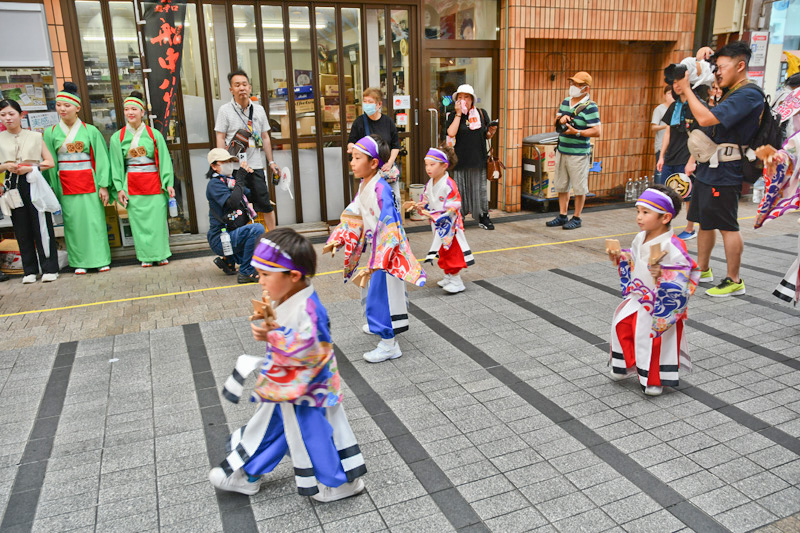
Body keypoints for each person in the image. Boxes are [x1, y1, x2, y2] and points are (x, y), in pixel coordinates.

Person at [208, 228, 366, 501]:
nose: (260, 280)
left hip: (308, 389)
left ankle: (341, 482)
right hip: (288, 384)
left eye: (265, 274)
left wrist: (273, 336)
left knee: (311, 434)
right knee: (278, 428)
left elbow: (314, 349)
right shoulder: (288, 294)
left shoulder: (310, 310)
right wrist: (270, 323)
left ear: (292, 275)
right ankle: (249, 474)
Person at [325, 135, 425, 363]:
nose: (352, 162)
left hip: (386, 253)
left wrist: (382, 259)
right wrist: (339, 237)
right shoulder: (367, 185)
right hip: (379, 250)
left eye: (357, 158)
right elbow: (354, 215)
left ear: (373, 163)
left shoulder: (381, 189)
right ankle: (379, 327)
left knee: (383, 297)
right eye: (352, 157)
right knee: (374, 293)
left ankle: (389, 345)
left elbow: (390, 225)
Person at [678, 41, 764, 297]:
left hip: (727, 170)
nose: (717, 72)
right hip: (709, 167)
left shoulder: (748, 94)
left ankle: (734, 279)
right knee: (704, 221)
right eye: (716, 67)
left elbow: (706, 118)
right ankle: (702, 269)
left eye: (722, 67)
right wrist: (702, 60)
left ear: (740, 66)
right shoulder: (731, 91)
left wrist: (685, 88)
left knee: (727, 225)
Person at [608, 185, 700, 396]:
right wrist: (622, 257)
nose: (639, 217)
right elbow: (634, 259)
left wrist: (664, 274)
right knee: (621, 326)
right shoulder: (640, 237)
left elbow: (688, 273)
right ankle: (624, 366)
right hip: (638, 296)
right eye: (638, 211)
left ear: (665, 217)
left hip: (658, 303)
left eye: (645, 212)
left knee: (651, 340)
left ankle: (653, 379)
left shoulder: (673, 245)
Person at [43, 82, 112, 275]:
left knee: (95, 222)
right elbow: (50, 163)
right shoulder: (50, 133)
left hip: (90, 183)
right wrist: (53, 188)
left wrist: (103, 185)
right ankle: (79, 261)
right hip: (66, 185)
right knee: (73, 224)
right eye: (58, 105)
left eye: (67, 105)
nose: (62, 109)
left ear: (78, 108)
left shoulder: (91, 131)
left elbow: (101, 159)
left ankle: (100, 259)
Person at [109, 91, 175, 267]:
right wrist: (119, 188)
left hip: (154, 183)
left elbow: (164, 161)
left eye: (134, 109)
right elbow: (116, 165)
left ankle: (161, 254)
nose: (130, 112)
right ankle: (145, 256)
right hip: (132, 184)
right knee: (138, 223)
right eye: (127, 109)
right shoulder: (117, 137)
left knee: (157, 222)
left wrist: (168, 183)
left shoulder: (154, 135)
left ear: (142, 112)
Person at [0, 99, 58, 283]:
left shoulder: (35, 136)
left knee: (42, 225)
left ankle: (50, 268)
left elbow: (50, 162)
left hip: (33, 182)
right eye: (3, 115)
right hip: (12, 185)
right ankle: (29, 270)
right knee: (21, 228)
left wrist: (32, 168)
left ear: (21, 115)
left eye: (11, 114)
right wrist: (5, 166)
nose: (8, 118)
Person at [214, 69, 277, 231]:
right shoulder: (225, 110)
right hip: (234, 167)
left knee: (265, 203)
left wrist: (271, 162)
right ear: (231, 89)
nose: (241, 88)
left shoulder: (259, 110)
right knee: (237, 206)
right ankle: (239, 238)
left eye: (244, 84)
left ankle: (274, 238)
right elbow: (220, 137)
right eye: (237, 85)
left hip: (255, 165)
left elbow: (265, 137)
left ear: (249, 87)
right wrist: (222, 163)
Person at [546, 72, 601, 230]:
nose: (573, 87)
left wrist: (577, 132)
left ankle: (577, 217)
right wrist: (561, 119)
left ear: (586, 88)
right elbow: (555, 122)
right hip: (562, 150)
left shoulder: (591, 107)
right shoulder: (565, 102)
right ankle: (562, 215)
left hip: (579, 153)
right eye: (572, 83)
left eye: (578, 85)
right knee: (561, 185)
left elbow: (597, 131)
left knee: (579, 187)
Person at [418, 146, 474, 294]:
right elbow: (426, 199)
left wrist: (438, 214)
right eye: (426, 164)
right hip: (438, 225)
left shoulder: (449, 184)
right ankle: (448, 276)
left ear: (444, 166)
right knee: (443, 250)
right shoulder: (430, 183)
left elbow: (454, 205)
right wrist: (422, 205)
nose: (428, 168)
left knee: (452, 251)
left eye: (432, 164)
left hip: (450, 226)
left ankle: (456, 280)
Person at [205, 148, 264, 284]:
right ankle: (246, 272)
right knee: (257, 229)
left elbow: (254, 196)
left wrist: (252, 176)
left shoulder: (231, 182)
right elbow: (233, 203)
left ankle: (229, 260)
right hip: (220, 238)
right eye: (224, 162)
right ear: (214, 166)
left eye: (230, 161)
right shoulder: (214, 184)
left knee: (259, 256)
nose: (229, 164)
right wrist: (240, 178)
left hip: (231, 234)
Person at [446, 84, 498, 230]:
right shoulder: (452, 115)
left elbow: (486, 135)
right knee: (460, 190)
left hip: (478, 158)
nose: (463, 100)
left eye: (466, 97)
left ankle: (483, 216)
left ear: (472, 100)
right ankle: (459, 218)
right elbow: (451, 133)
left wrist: (492, 130)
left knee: (479, 190)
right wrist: (458, 114)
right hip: (460, 160)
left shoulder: (481, 113)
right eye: (460, 97)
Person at [657, 80, 699, 239]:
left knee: (687, 196)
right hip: (670, 157)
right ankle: (662, 228)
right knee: (664, 193)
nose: (676, 85)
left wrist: (692, 161)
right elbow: (667, 132)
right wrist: (661, 156)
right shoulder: (674, 107)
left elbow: (699, 136)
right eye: (674, 82)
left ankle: (690, 228)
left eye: (680, 81)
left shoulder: (696, 106)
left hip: (686, 157)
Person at [347, 87, 401, 208]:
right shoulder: (359, 122)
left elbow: (395, 145)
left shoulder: (388, 122)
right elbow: (351, 142)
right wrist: (352, 148)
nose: (367, 104)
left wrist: (389, 163)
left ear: (379, 104)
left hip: (387, 171)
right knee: (371, 204)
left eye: (370, 102)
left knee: (393, 202)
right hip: (369, 172)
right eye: (365, 101)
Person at [651, 87, 673, 184]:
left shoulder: (677, 108)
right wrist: (666, 126)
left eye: (672, 94)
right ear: (664, 95)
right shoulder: (659, 109)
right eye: (669, 93)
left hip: (673, 146)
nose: (671, 96)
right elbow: (653, 127)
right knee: (660, 170)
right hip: (661, 145)